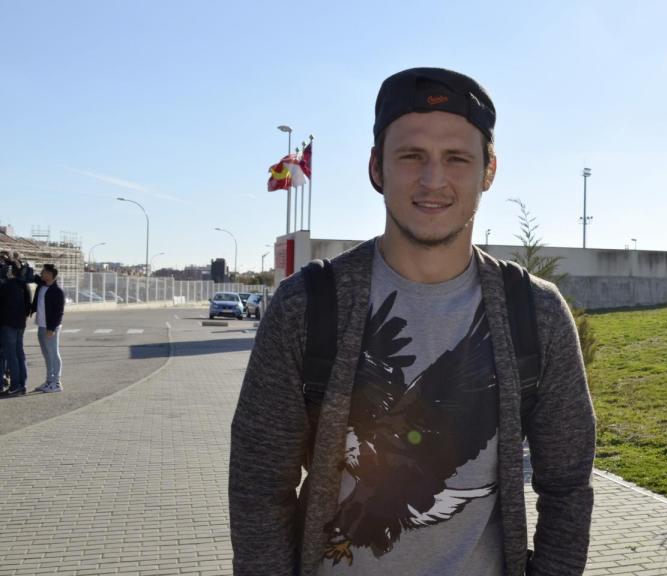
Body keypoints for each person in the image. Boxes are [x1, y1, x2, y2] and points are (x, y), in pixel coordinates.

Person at [230, 67, 596, 576]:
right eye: (411, 156)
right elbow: (259, 486)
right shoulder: (306, 305)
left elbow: (568, 487)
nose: (433, 180)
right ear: (376, 167)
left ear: (489, 171)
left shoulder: (536, 312)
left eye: (456, 158)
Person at [31, 264, 65, 393]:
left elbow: (59, 313)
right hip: (41, 325)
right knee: (46, 355)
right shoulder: (42, 285)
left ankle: (56, 383)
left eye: (44, 272)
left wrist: (52, 328)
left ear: (50, 275)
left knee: (53, 354)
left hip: (51, 327)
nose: (41, 273)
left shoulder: (57, 291)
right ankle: (49, 381)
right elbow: (32, 277)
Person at [0, 263, 32, 397]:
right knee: (19, 354)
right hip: (20, 324)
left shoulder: (6, 286)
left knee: (11, 355)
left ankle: (15, 386)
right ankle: (22, 385)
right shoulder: (23, 285)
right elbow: (28, 304)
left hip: (8, 324)